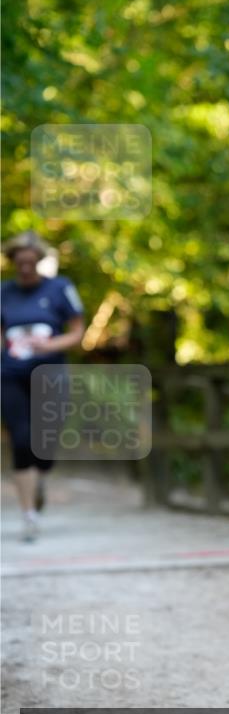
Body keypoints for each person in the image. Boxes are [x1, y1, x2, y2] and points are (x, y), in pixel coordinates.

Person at [1, 232, 85, 541]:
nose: (24, 268)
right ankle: (29, 516)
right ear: (12, 263)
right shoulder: (3, 293)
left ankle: (39, 480)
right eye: (18, 263)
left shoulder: (60, 287)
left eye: (29, 262)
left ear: (37, 260)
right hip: (10, 374)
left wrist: (48, 345)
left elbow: (77, 331)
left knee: (45, 442)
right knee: (21, 439)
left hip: (50, 372)